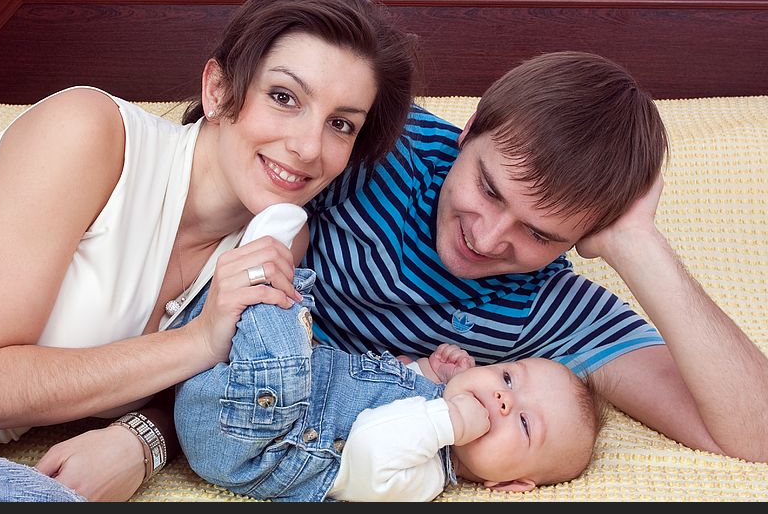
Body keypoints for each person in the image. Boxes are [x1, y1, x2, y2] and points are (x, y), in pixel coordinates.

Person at [0, 0, 416, 501]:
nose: (307, 146)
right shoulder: (90, 132)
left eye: (342, 125)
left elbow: (217, 398)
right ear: (218, 90)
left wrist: (142, 439)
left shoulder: (274, 244)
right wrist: (200, 338)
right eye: (283, 97)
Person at [302, 50, 768, 464]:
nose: (486, 240)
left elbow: (756, 435)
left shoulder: (551, 309)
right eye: (489, 189)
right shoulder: (375, 143)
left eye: (538, 233)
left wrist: (637, 242)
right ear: (468, 130)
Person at [171, 204, 602, 501]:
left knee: (288, 326)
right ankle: (193, 305)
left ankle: (261, 263)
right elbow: (376, 382)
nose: (504, 401)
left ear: (510, 483)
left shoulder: (425, 479)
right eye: (508, 378)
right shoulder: (433, 400)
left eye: (524, 424)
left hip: (248, 439)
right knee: (276, 337)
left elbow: (372, 446)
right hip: (240, 391)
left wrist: (448, 420)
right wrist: (427, 372)